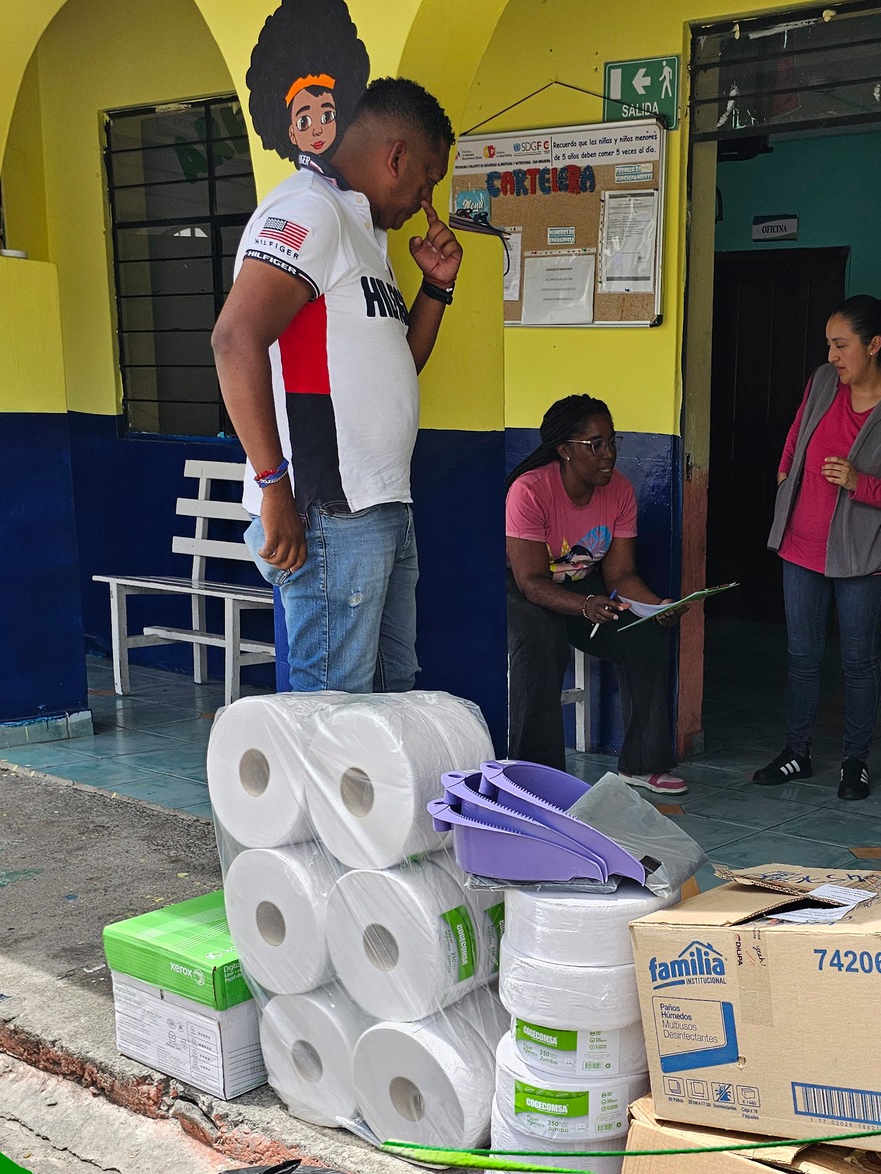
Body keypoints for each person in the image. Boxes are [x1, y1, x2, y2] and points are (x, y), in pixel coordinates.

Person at [212, 0, 462, 694]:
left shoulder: (364, 232)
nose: (426, 199)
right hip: (329, 512)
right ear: (396, 156)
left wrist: (435, 289)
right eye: (427, 178)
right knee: (333, 720)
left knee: (386, 711)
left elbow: (396, 365)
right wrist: (274, 488)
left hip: (381, 504)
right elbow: (235, 338)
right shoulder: (310, 210)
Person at [750, 297, 881, 802]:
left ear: (873, 346)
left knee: (858, 661)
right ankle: (796, 752)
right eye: (829, 345)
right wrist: (784, 473)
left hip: (864, 558)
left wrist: (858, 482)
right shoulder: (823, 381)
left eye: (841, 345)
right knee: (802, 656)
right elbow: (797, 432)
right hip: (800, 546)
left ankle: (855, 761)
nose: (831, 356)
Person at [505, 395, 687, 795]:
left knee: (644, 634)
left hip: (584, 587)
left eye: (612, 441)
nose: (609, 454)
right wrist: (585, 606)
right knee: (541, 642)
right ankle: (535, 777)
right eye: (595, 445)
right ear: (564, 450)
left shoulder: (619, 490)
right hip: (522, 588)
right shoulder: (529, 491)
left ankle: (643, 763)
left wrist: (653, 605)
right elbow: (531, 581)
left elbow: (621, 574)